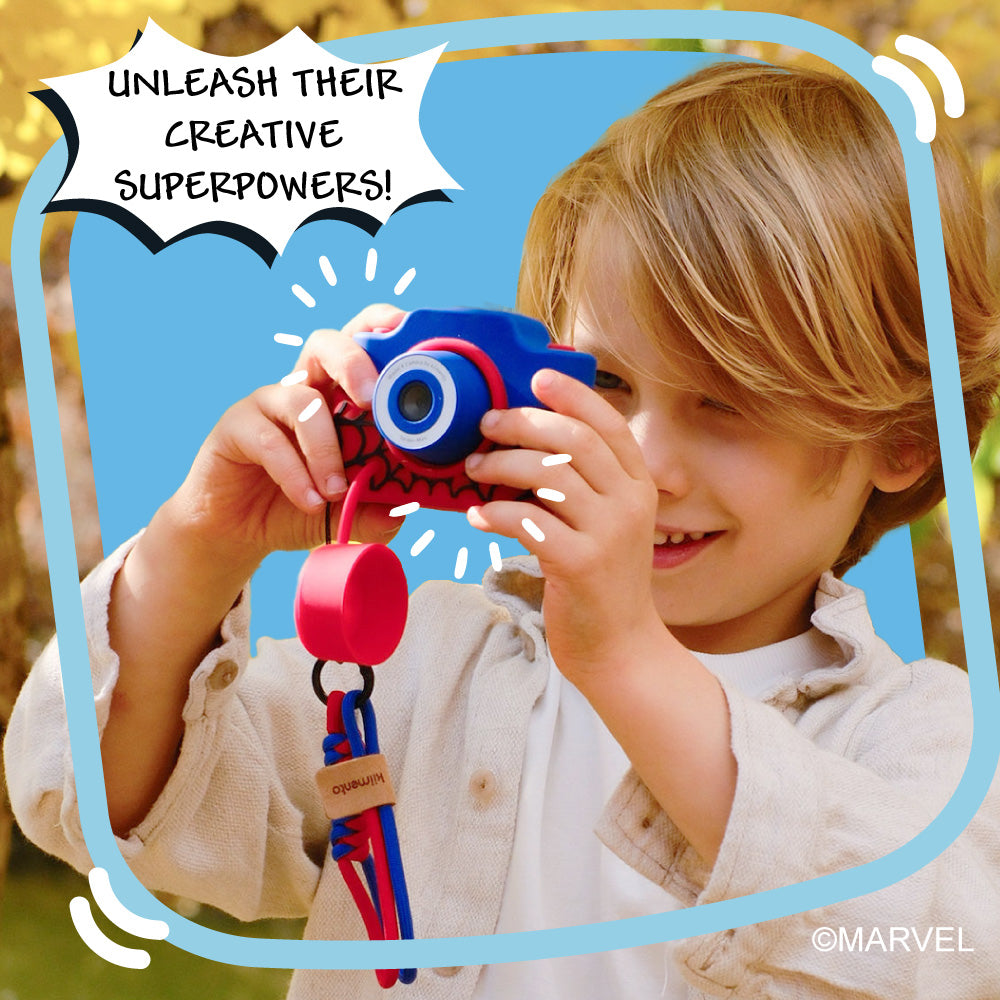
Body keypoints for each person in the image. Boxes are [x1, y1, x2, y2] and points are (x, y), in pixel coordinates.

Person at [6, 60, 1000, 999]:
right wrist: (197, 545)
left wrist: (625, 659)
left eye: (730, 400)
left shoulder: (926, 739)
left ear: (904, 441)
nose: (643, 459)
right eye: (605, 381)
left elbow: (955, 950)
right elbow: (97, 809)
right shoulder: (424, 671)